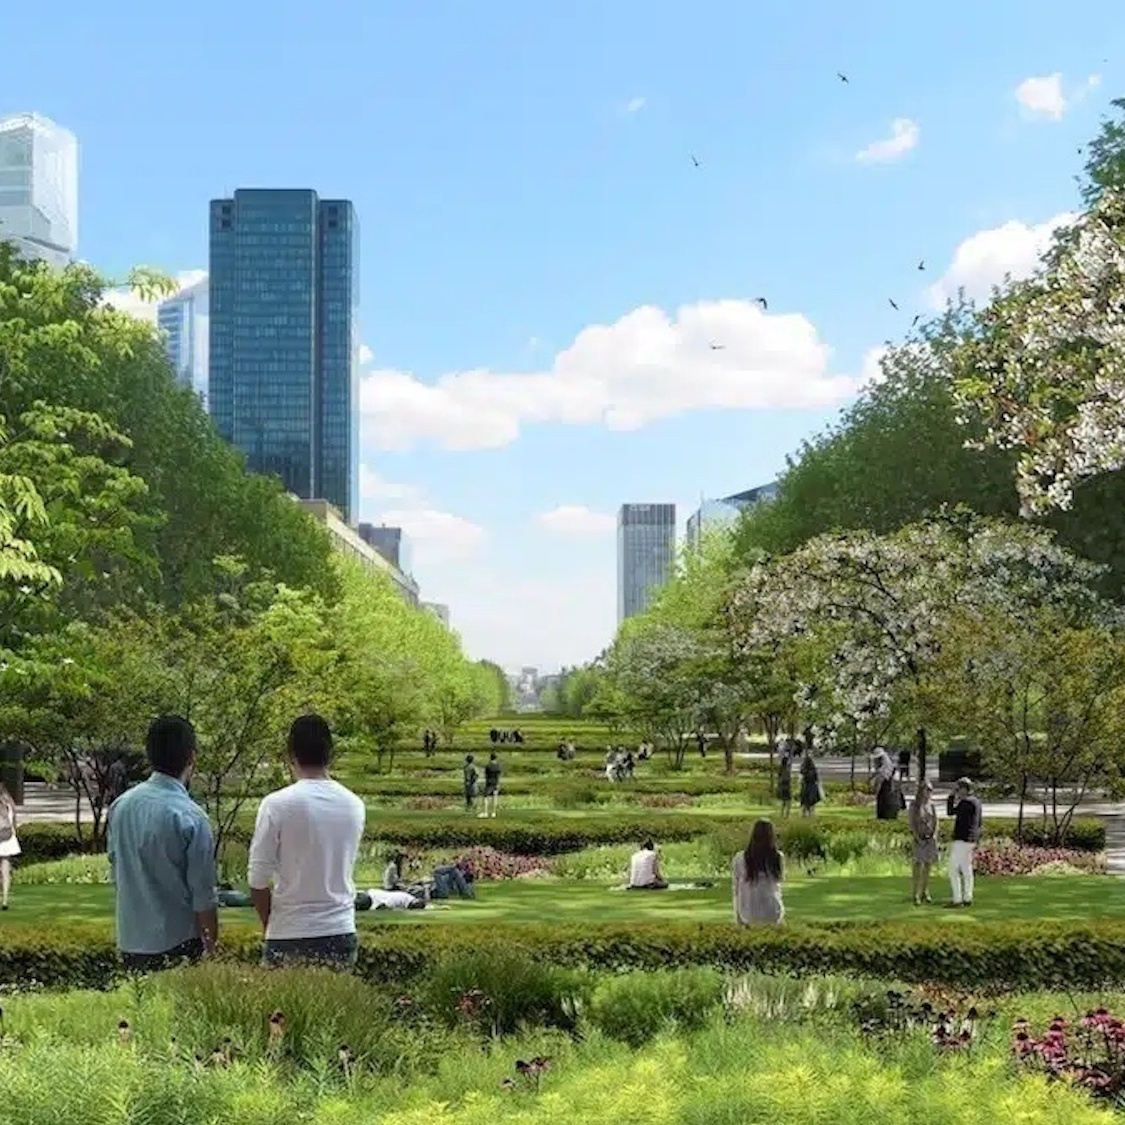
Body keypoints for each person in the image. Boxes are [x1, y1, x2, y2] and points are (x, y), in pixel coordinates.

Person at [248, 714, 366, 969]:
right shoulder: (354, 805)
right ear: (330, 754)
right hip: (340, 929)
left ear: (291, 754)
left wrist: (272, 923)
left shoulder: (276, 804)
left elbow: (257, 880)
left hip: (288, 932)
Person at [106, 716, 218, 971]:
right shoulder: (191, 816)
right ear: (191, 757)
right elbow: (203, 894)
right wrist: (212, 949)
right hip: (179, 943)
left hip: (131, 941)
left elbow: (116, 870)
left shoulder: (121, 807)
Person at [732, 819, 784, 925]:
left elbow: (736, 889)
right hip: (772, 913)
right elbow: (778, 885)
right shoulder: (777, 857)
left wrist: (738, 917)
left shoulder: (740, 858)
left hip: (747, 913)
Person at [946, 777, 983, 908]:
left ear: (963, 789)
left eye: (958, 789)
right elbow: (979, 823)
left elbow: (950, 812)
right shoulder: (977, 802)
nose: (958, 792)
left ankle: (957, 898)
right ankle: (968, 896)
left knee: (952, 869)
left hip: (962, 839)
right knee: (967, 869)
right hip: (971, 840)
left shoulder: (965, 802)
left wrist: (951, 797)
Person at [908, 779, 939, 905]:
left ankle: (925, 891)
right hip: (919, 839)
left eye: (931, 790)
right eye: (928, 789)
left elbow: (936, 822)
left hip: (930, 839)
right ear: (922, 791)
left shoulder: (932, 805)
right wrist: (917, 837)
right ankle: (916, 893)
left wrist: (934, 835)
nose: (930, 792)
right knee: (917, 865)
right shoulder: (914, 805)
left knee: (927, 865)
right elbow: (911, 823)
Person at [0, 782, 20, 910]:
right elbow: (14, 822)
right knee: (6, 871)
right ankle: (5, 899)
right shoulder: (9, 802)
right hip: (7, 838)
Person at [798, 749, 822, 817]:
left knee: (805, 800)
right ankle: (810, 813)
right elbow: (816, 776)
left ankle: (805, 813)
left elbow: (801, 776)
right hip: (811, 785)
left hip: (807, 785)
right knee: (811, 800)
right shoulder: (811, 766)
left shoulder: (804, 766)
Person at [481, 752, 502, 819]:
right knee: (494, 798)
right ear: (496, 758)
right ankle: (493, 813)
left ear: (490, 758)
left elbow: (486, 775)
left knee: (485, 797)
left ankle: (485, 812)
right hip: (495, 783)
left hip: (489, 783)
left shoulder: (488, 766)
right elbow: (498, 775)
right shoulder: (498, 766)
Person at [776, 746, 793, 819]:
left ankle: (782, 814)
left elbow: (779, 779)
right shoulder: (786, 771)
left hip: (782, 786)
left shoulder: (781, 770)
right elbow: (787, 779)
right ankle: (786, 815)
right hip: (786, 786)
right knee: (788, 802)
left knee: (783, 802)